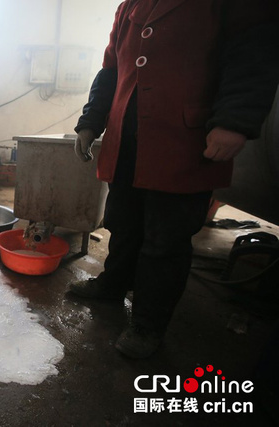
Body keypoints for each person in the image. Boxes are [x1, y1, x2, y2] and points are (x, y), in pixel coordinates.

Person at [68, 0, 279, 358]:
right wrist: (91, 122)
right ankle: (113, 284)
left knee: (165, 239)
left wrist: (234, 121)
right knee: (122, 222)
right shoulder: (129, 6)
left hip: (185, 141)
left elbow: (253, 52)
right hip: (126, 140)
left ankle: (148, 324)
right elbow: (110, 70)